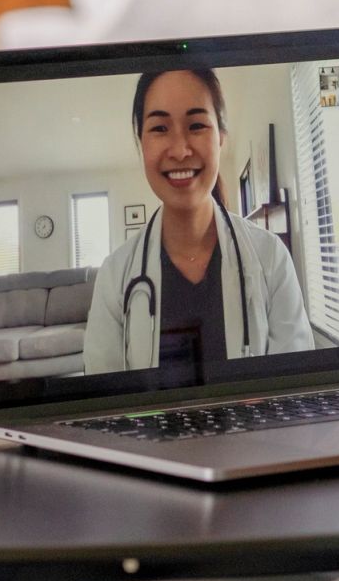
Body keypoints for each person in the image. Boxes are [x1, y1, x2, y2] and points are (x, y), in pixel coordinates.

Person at [83, 68, 314, 376]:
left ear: (221, 139)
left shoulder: (270, 258)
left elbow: (296, 390)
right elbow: (103, 406)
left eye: (196, 125)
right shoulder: (115, 276)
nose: (180, 150)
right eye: (160, 128)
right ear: (141, 143)